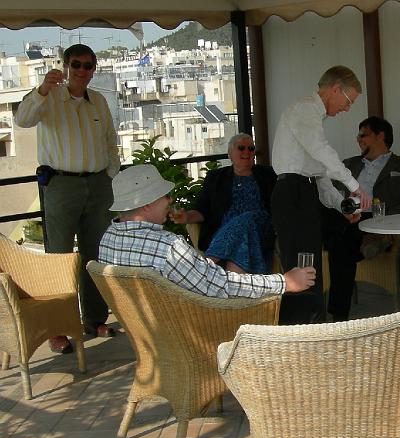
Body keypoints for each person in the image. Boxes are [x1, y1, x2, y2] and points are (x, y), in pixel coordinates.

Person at [14, 44, 118, 354]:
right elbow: (22, 119)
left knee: (94, 255)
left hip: (98, 185)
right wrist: (42, 90)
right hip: (61, 185)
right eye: (76, 64)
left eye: (88, 65)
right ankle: (57, 329)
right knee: (58, 258)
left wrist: (110, 174)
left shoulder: (98, 100)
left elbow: (110, 141)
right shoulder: (48, 98)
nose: (82, 71)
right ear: (66, 66)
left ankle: (94, 320)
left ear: (94, 69)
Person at [98, 165, 315, 297]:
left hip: (154, 332)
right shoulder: (167, 248)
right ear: (147, 204)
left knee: (244, 232)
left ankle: (210, 259)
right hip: (198, 327)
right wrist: (284, 282)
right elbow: (220, 286)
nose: (170, 200)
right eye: (165, 195)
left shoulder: (107, 239)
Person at [270, 65, 371, 325]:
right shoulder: (305, 108)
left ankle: (314, 325)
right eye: (349, 101)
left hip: (304, 193)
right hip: (292, 193)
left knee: (309, 264)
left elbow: (320, 177)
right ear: (335, 89)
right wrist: (354, 185)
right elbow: (322, 151)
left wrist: (343, 206)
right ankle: (299, 329)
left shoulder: (312, 120)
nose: (347, 109)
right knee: (300, 266)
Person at [322, 116, 400, 322]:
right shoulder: (348, 165)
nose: (358, 139)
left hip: (381, 218)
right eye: (358, 136)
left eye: (364, 135)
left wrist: (386, 218)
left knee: (339, 243)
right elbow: (330, 194)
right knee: (337, 235)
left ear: (380, 136)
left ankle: (338, 316)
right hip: (349, 217)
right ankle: (369, 242)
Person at [171, 133, 277, 273]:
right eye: (241, 148)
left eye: (251, 148)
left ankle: (205, 266)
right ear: (230, 153)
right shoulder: (216, 177)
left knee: (247, 218)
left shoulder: (268, 174)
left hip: (261, 228)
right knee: (241, 243)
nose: (246, 152)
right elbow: (202, 209)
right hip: (230, 234)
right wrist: (186, 217)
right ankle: (233, 283)